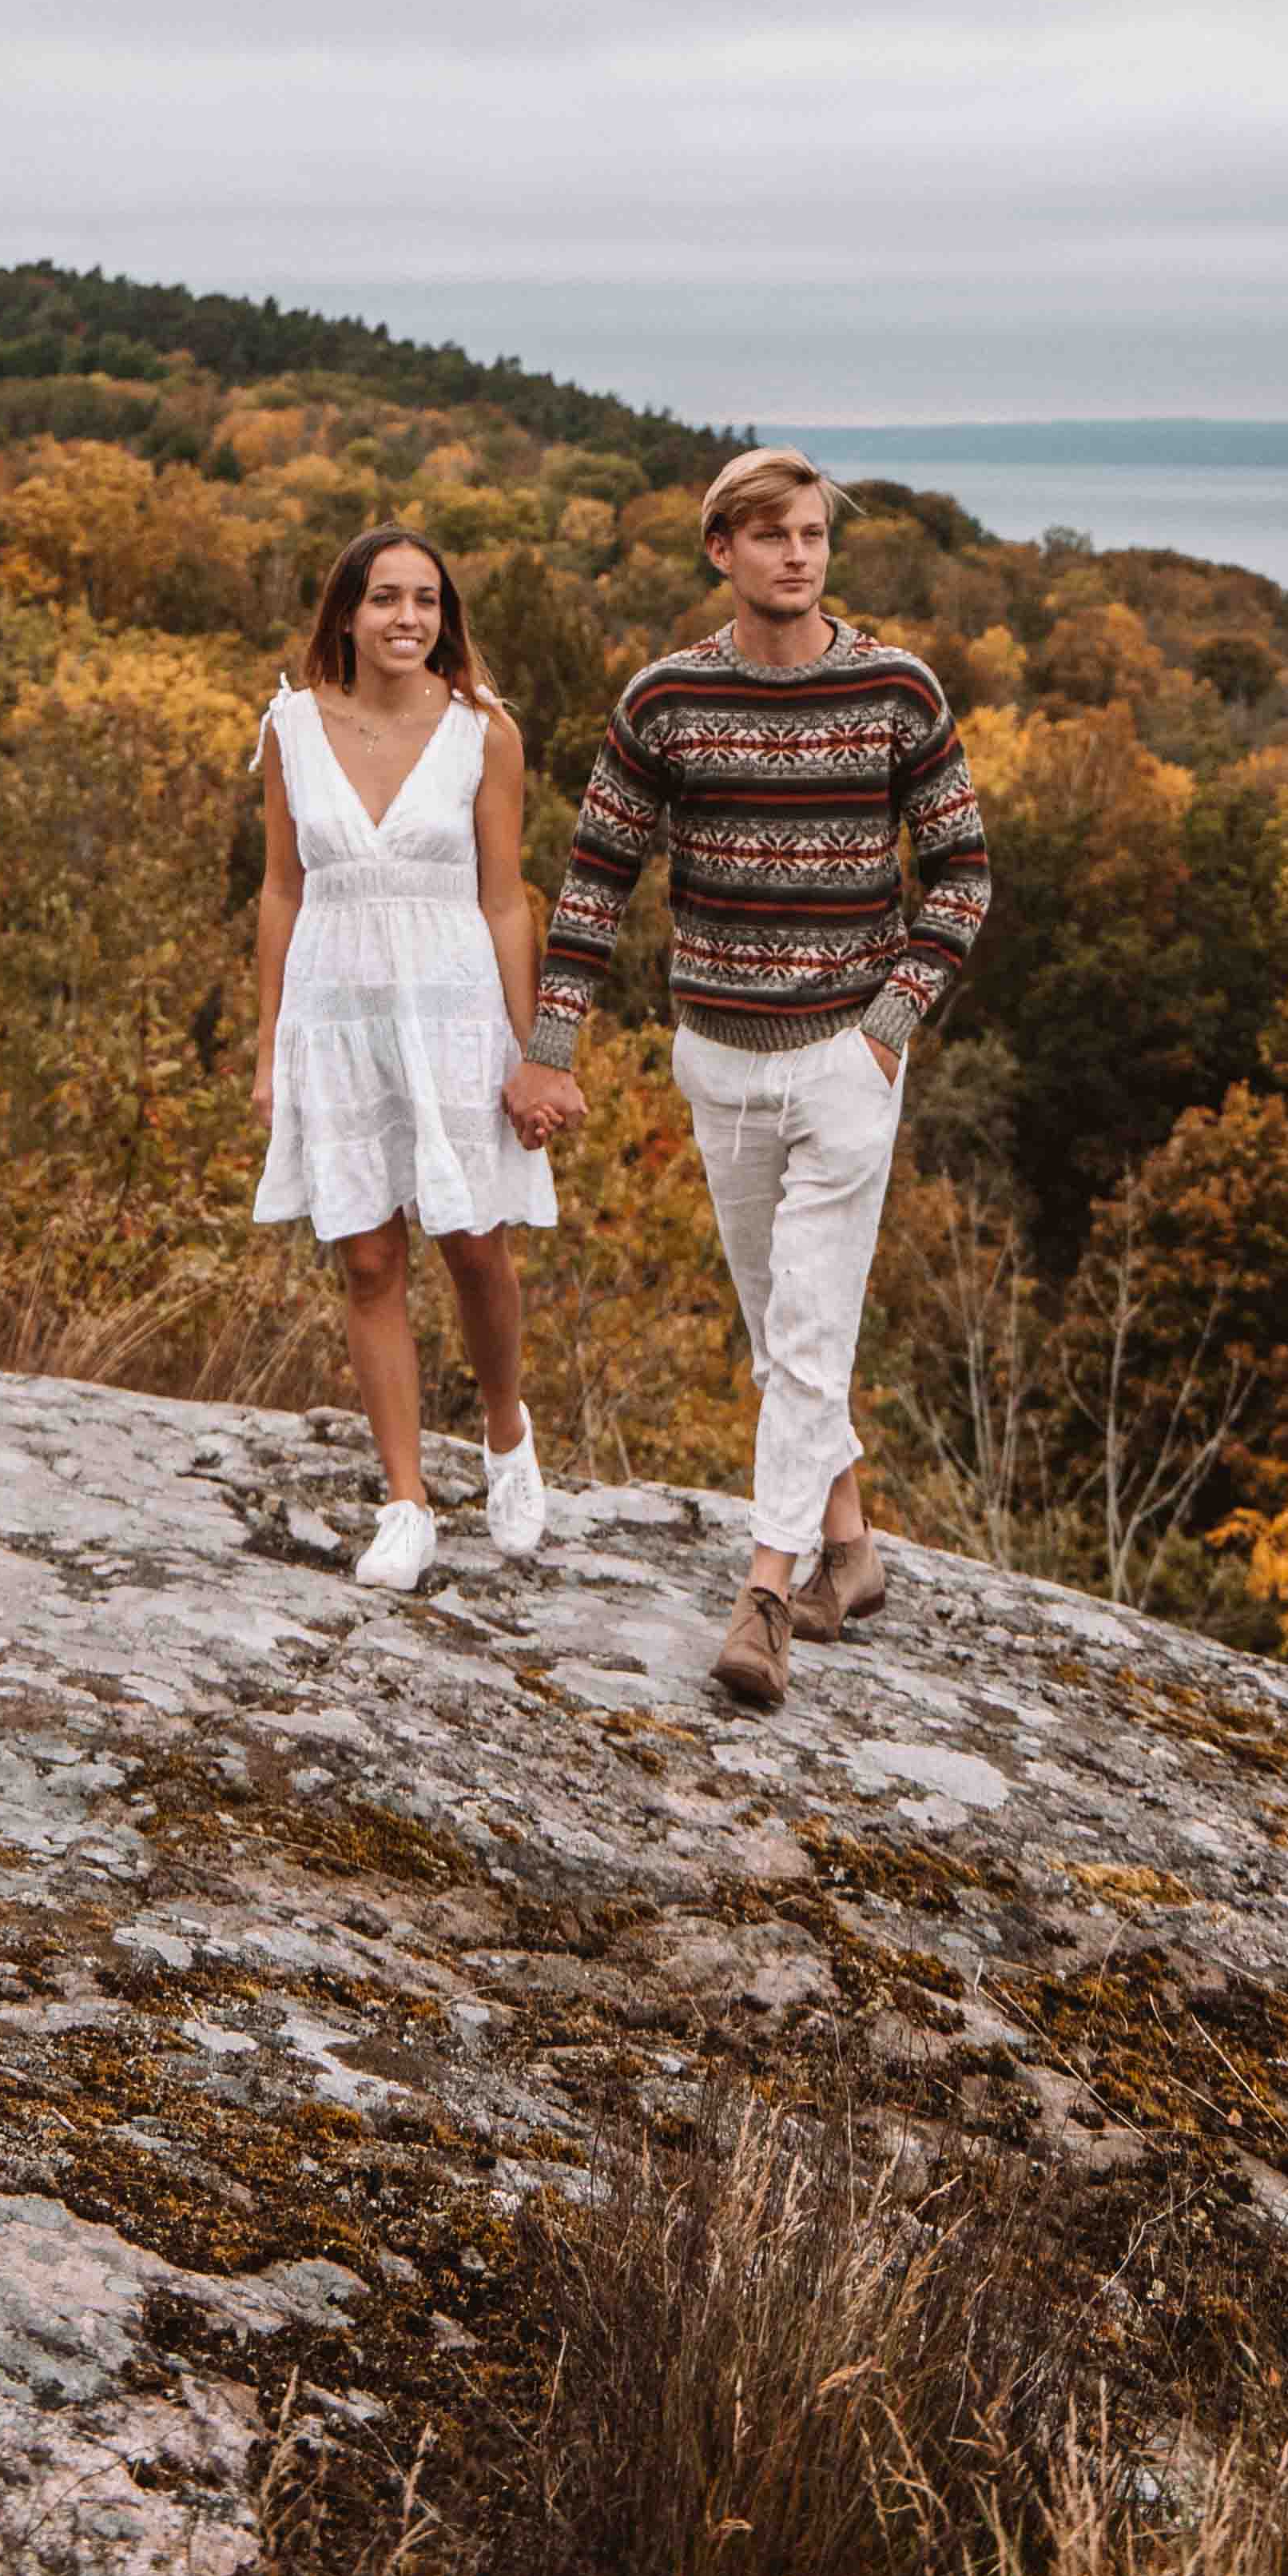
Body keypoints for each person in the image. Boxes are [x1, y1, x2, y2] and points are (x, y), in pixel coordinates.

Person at [526, 447, 990, 1710]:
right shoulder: (664, 700)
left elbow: (961, 871)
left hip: (847, 1059)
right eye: (771, 533)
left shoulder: (897, 688)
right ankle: (853, 1544)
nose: (799, 553)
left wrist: (891, 1020)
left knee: (807, 1323)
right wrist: (550, 1045)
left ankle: (766, 1595)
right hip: (716, 1057)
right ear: (719, 549)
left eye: (814, 533)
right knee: (778, 1326)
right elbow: (593, 879)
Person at [252, 523, 586, 1589]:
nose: (408, 618)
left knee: (475, 1242)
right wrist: (268, 1051)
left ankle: (503, 1431)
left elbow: (504, 896)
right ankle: (406, 1500)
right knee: (365, 1257)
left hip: (451, 1012)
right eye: (387, 597)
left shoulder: (483, 731)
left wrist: (537, 1053)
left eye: (427, 600)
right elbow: (279, 891)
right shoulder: (291, 728)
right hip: (336, 1015)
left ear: (446, 619)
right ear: (345, 613)